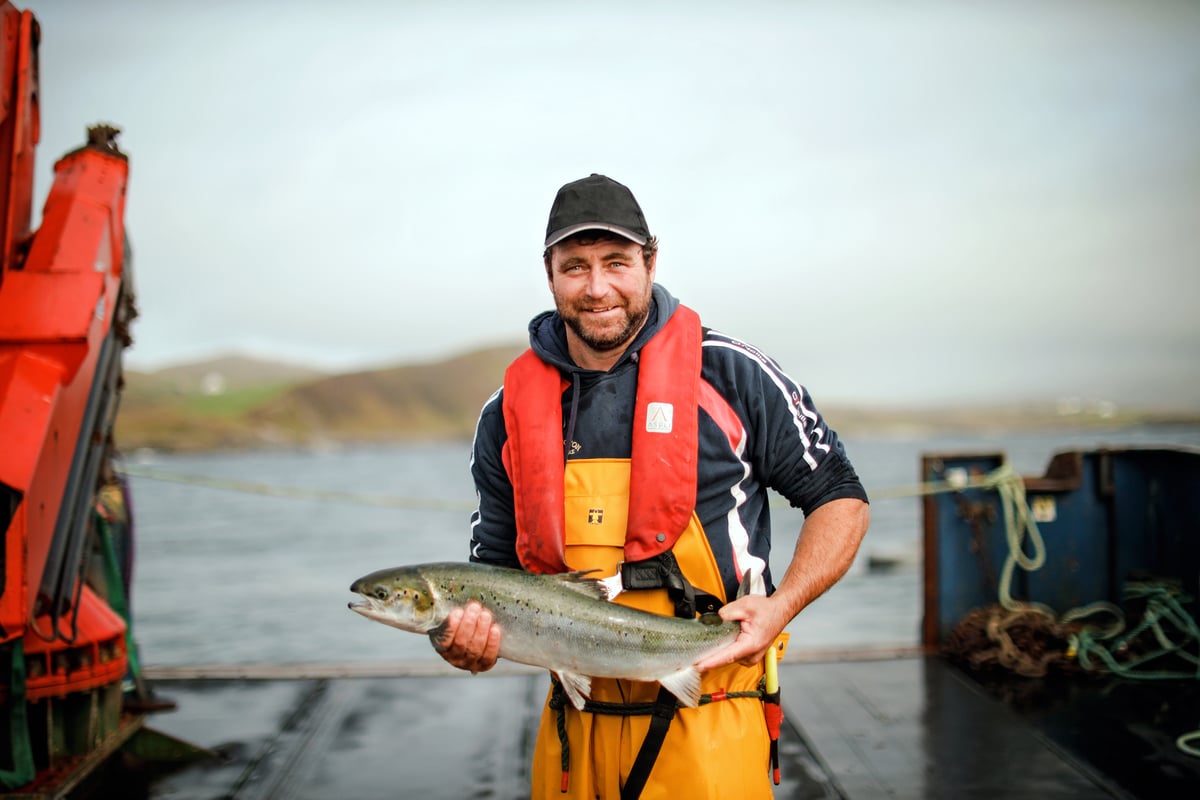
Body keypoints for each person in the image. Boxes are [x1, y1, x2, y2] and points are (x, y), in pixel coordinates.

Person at [437, 173, 870, 799]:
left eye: (616, 262)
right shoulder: (505, 413)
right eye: (575, 266)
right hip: (572, 735)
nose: (597, 288)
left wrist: (782, 606)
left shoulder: (733, 374)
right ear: (549, 273)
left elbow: (841, 499)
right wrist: (467, 644)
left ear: (650, 260)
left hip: (711, 721)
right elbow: (492, 579)